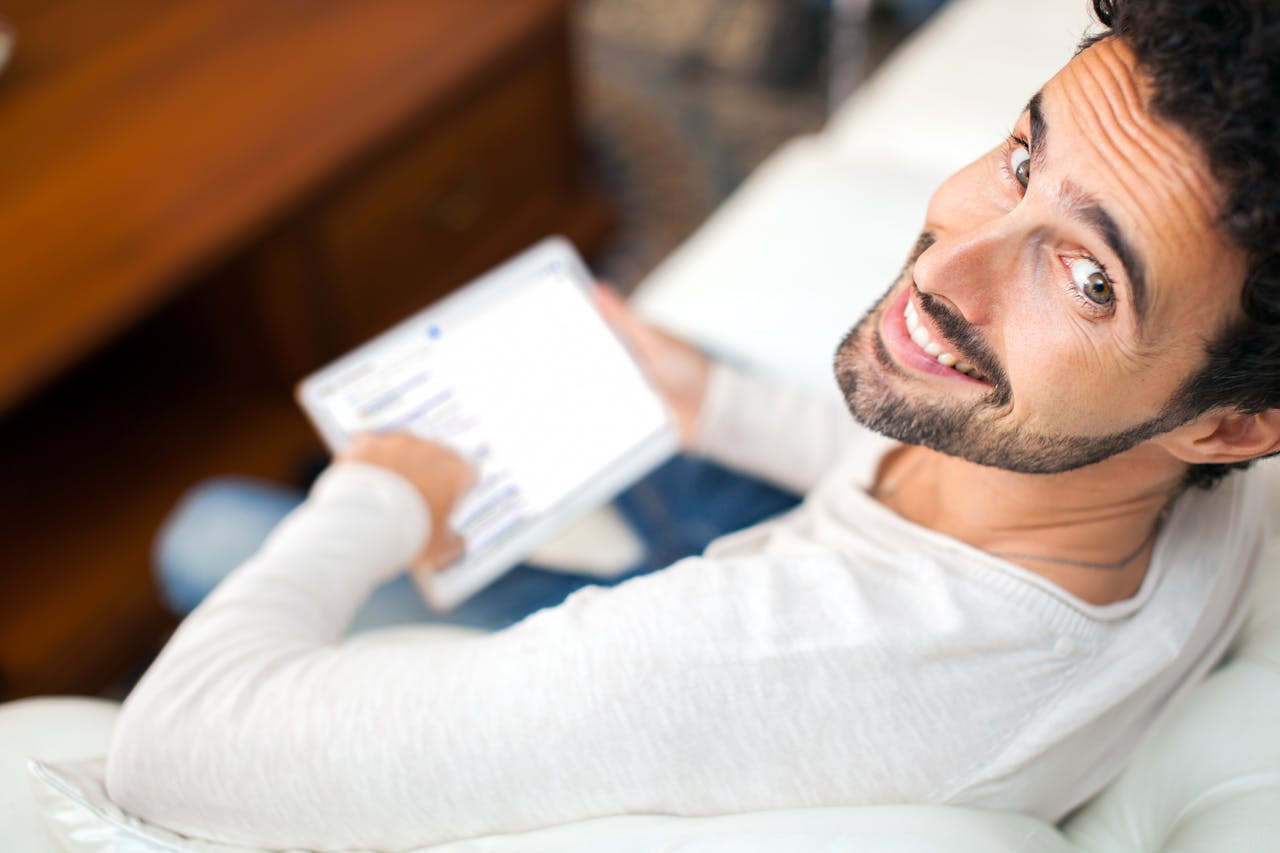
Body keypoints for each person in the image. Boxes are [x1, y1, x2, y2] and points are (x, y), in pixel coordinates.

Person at [105, 1, 1280, 849]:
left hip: (712, 670)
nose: (946, 263)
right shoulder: (1176, 477)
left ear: (1230, 427)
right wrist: (705, 402)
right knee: (595, 375)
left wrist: (382, 495)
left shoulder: (733, 659)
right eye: (1021, 155)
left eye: (1085, 279)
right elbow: (948, 501)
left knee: (209, 529)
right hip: (818, 566)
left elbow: (173, 747)